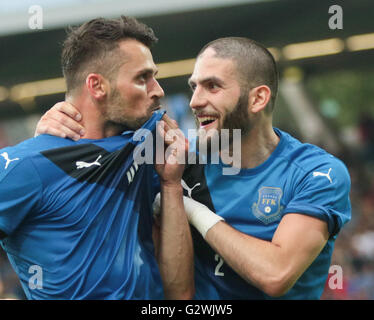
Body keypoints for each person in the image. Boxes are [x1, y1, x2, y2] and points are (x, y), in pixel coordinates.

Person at [35, 37, 351, 299]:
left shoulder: (317, 172)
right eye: (194, 86)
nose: (195, 101)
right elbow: (80, 194)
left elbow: (276, 275)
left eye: (212, 86)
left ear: (258, 99)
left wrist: (193, 211)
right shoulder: (174, 159)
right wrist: (49, 142)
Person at [0, 16, 194, 300]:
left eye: (154, 75)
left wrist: (171, 185)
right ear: (97, 86)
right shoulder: (26, 165)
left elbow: (181, 295)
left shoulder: (152, 138)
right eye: (143, 78)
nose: (158, 90)